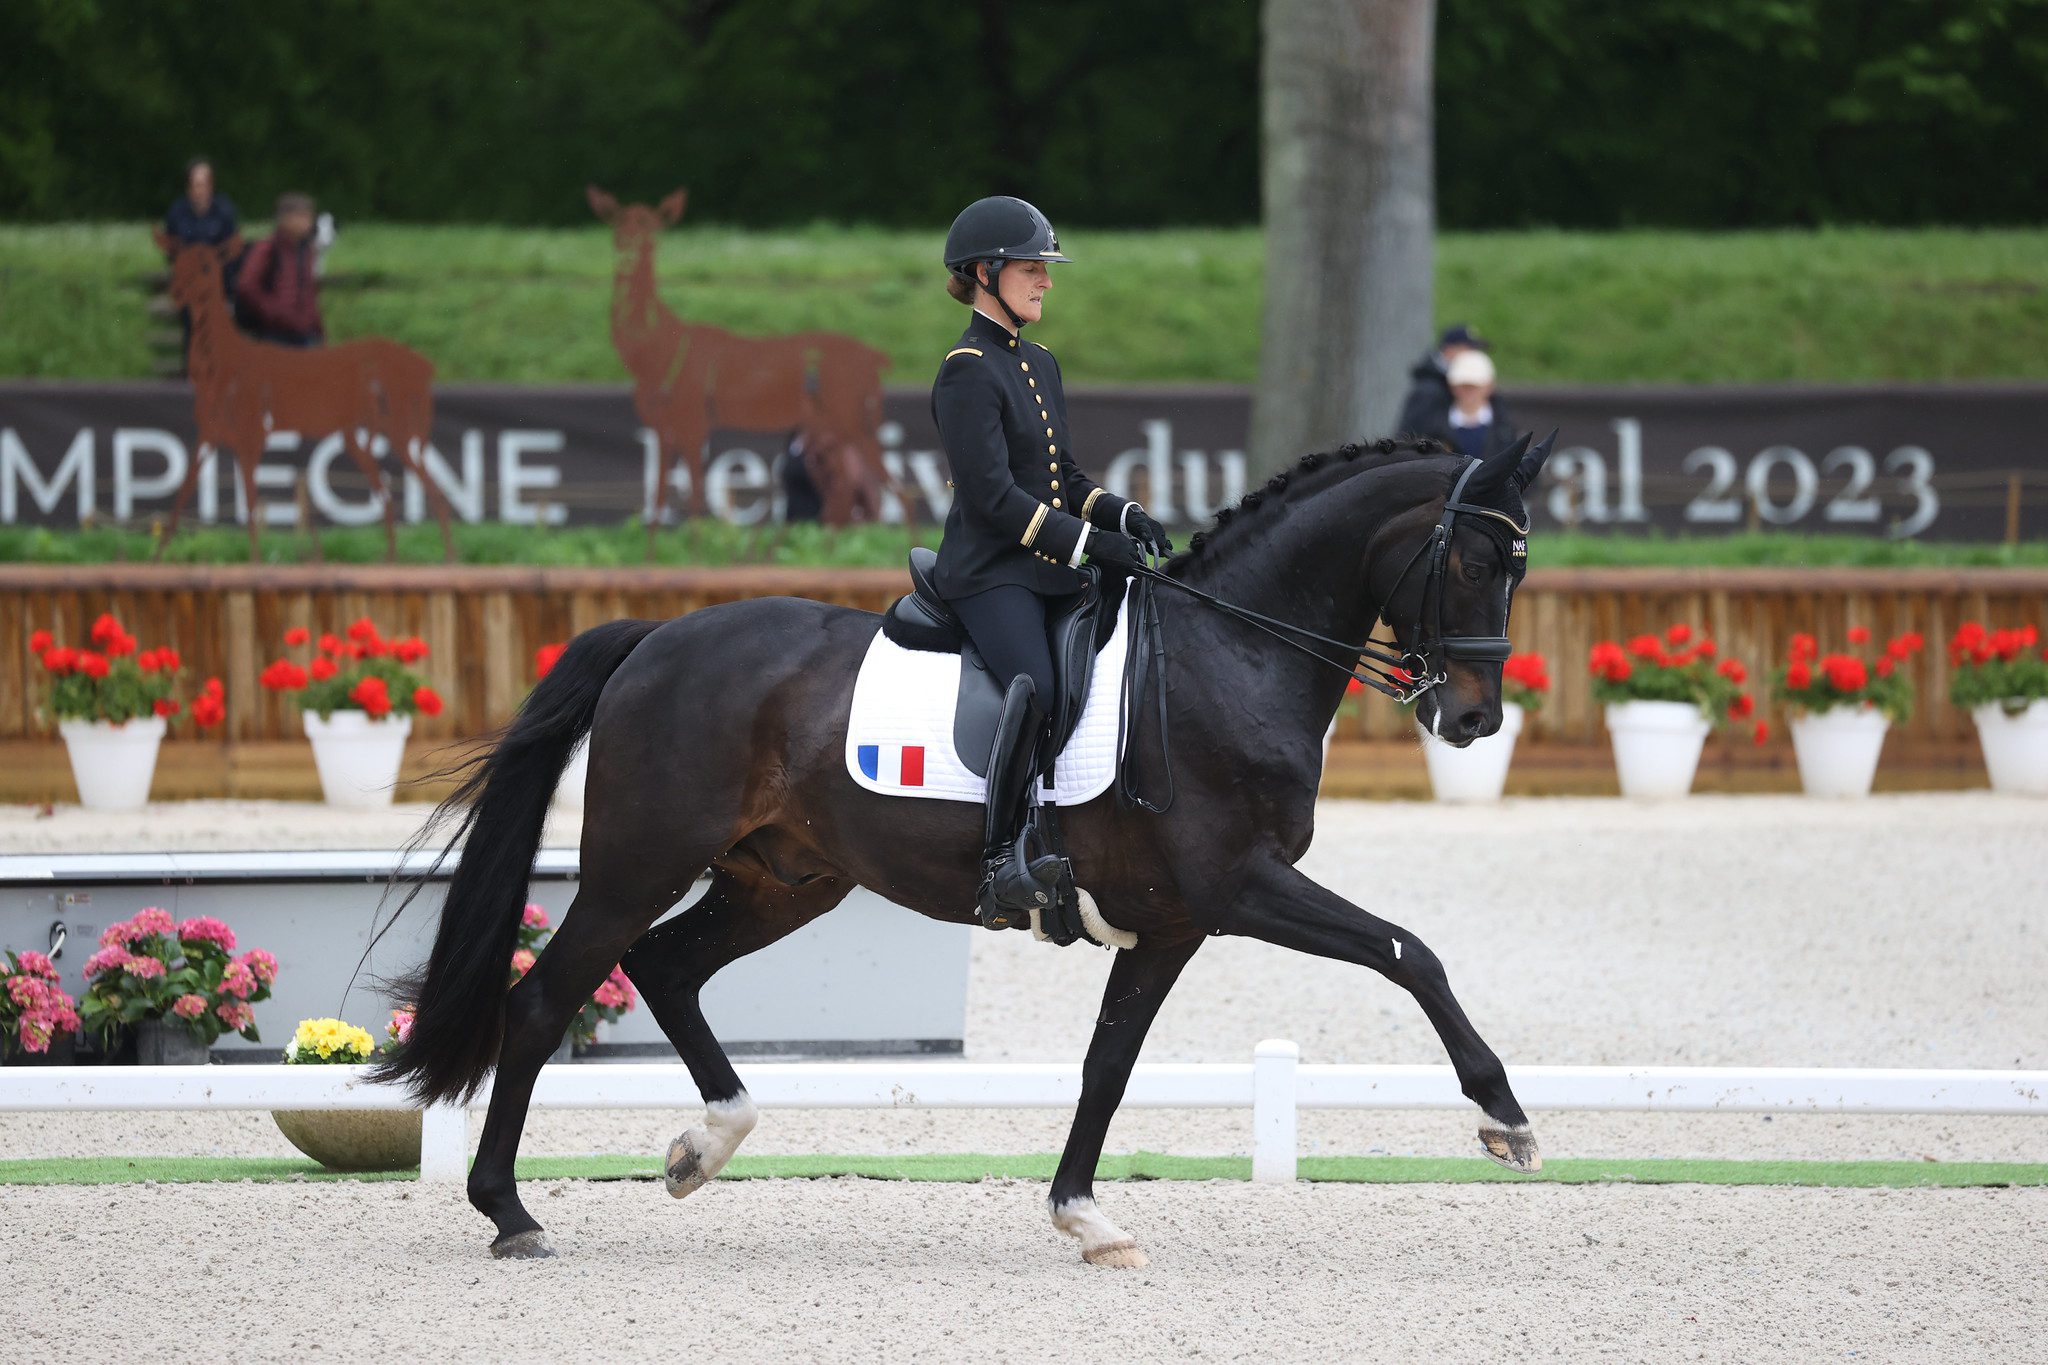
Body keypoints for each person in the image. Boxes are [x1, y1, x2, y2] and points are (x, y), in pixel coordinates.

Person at [931, 195, 1170, 931]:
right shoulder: (966, 370)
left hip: (1047, 567)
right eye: (1034, 269)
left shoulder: (1038, 362)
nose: (1046, 282)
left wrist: (1121, 514)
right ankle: (1001, 858)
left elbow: (1062, 474)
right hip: (990, 569)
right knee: (1032, 686)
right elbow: (995, 499)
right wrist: (1088, 542)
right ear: (984, 273)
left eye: (1045, 269)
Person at [163, 158, 240, 368]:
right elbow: (171, 251)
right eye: (196, 183)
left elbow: (232, 252)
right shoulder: (177, 213)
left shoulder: (223, 212)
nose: (201, 189)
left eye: (205, 183)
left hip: (217, 286)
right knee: (193, 333)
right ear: (188, 186)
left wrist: (229, 293)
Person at [235, 192, 325, 346]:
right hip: (275, 335)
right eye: (303, 217)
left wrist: (317, 327)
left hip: (305, 334)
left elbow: (309, 292)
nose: (308, 222)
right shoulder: (268, 249)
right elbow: (246, 285)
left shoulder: (307, 250)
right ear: (287, 219)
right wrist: (274, 312)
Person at [1418, 348, 1520, 459]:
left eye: (1475, 386)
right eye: (1463, 385)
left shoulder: (1507, 429)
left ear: (1489, 386)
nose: (1468, 391)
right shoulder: (1432, 427)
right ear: (1452, 386)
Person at [1397, 323, 1487, 438]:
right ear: (1449, 350)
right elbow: (1407, 437)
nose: (1473, 357)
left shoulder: (1438, 383)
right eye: (1469, 350)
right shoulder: (1429, 390)